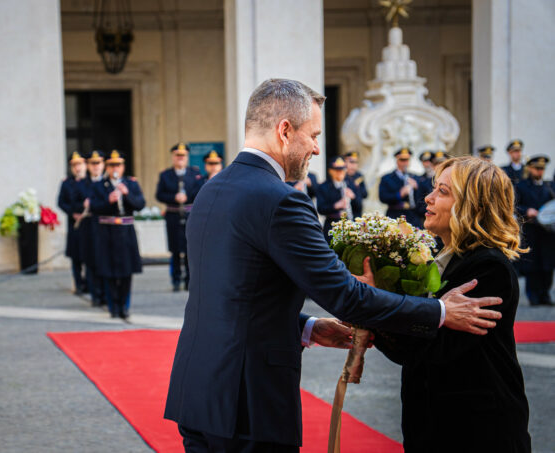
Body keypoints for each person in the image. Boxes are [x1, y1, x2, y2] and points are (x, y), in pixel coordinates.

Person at [164, 78, 502, 452]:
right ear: (284, 131)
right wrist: (438, 311)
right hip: (248, 402)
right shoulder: (282, 201)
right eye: (313, 134)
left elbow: (228, 297)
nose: (315, 147)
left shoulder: (213, 188)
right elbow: (345, 295)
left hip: (197, 394)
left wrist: (307, 328)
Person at [374, 156, 531, 452]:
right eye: (434, 188)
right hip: (439, 426)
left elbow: (426, 348)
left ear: (472, 205)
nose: (428, 197)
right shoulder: (442, 257)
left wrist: (373, 303)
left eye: (443, 192)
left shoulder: (488, 267)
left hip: (478, 431)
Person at [89, 150, 145, 318]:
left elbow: (140, 204)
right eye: (112, 165)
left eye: (118, 165)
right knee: (109, 272)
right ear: (106, 167)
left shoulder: (131, 184)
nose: (115, 168)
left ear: (123, 167)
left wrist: (126, 194)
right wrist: (108, 200)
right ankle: (113, 307)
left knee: (126, 272)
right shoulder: (99, 185)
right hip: (107, 232)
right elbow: (93, 207)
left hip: (126, 232)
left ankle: (124, 306)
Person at [155, 143, 203, 291]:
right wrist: (173, 197)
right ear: (173, 157)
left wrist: (187, 196)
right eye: (177, 156)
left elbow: (200, 191)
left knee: (190, 249)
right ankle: (175, 279)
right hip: (173, 214)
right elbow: (159, 194)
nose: (180, 158)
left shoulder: (195, 174)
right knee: (175, 249)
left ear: (187, 157)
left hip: (190, 215)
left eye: (183, 156)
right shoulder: (165, 175)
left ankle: (189, 279)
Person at [515, 155, 555, 306]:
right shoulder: (521, 186)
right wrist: (527, 210)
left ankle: (545, 295)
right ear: (530, 169)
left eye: (542, 169)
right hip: (531, 231)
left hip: (547, 234)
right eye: (537, 168)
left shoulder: (549, 186)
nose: (540, 171)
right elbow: (515, 206)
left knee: (547, 266)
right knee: (532, 266)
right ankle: (533, 296)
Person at [78, 150, 106, 307]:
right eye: (93, 163)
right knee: (90, 262)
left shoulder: (107, 183)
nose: (96, 167)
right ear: (88, 165)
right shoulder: (81, 183)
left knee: (104, 261)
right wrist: (81, 207)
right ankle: (95, 294)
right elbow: (72, 201)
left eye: (99, 163)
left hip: (104, 227)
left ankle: (104, 294)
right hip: (88, 227)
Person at [57, 151, 88, 295]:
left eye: (80, 164)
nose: (77, 168)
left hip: (87, 222)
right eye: (74, 165)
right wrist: (72, 213)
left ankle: (89, 283)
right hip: (74, 224)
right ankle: (78, 284)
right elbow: (61, 202)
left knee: (89, 255)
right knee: (75, 256)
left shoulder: (90, 182)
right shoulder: (66, 183)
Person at [316, 156, 357, 244]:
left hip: (349, 224)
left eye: (342, 170)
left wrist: (353, 197)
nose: (340, 173)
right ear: (330, 171)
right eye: (337, 170)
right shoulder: (323, 187)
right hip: (331, 225)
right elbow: (321, 209)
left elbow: (360, 206)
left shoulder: (351, 184)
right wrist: (336, 205)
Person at [379, 147, 424, 227]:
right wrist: (399, 194)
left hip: (412, 216)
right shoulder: (387, 178)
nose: (405, 163)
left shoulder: (416, 178)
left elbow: (422, 199)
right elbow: (382, 197)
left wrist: (417, 188)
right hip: (394, 215)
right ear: (397, 161)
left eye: (407, 160)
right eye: (402, 160)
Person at [344, 151, 367, 217]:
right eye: (351, 162)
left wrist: (356, 190)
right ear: (345, 162)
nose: (354, 165)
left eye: (356, 162)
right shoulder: (342, 176)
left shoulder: (359, 176)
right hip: (344, 212)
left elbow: (365, 194)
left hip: (357, 211)